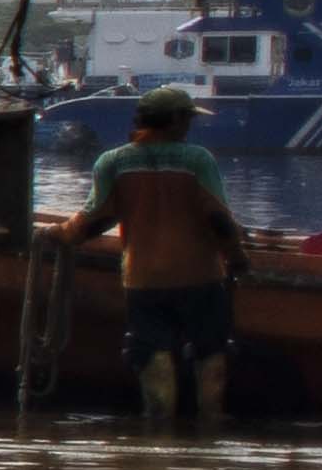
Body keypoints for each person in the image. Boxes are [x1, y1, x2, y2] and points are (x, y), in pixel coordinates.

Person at [61, 84, 247, 425]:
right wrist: (235, 254)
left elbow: (94, 220)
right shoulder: (197, 160)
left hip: (144, 280)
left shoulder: (113, 162)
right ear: (175, 121)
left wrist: (59, 236)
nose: (190, 126)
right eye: (187, 119)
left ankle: (158, 437)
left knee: (153, 356)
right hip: (202, 277)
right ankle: (211, 427)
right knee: (210, 354)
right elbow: (218, 217)